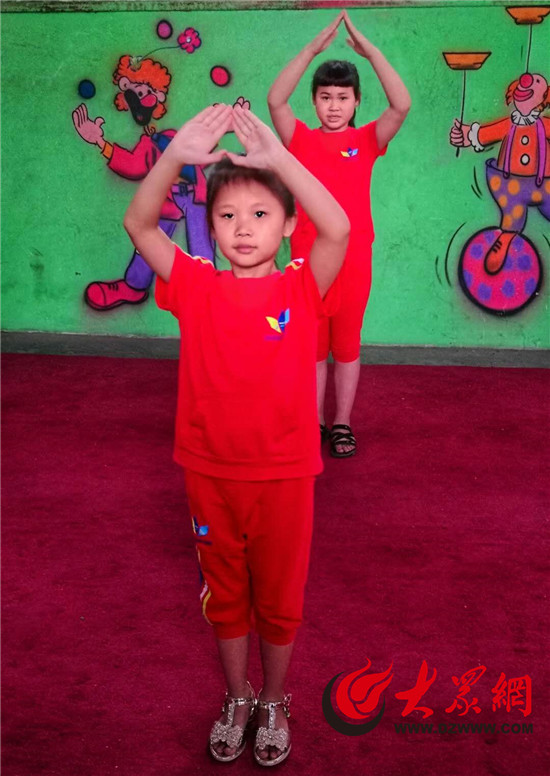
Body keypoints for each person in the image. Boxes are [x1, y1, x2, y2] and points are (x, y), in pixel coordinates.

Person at [123, 103, 349, 766]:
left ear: (287, 225)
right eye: (227, 216)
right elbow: (139, 224)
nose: (243, 228)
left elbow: (337, 226)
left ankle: (273, 698)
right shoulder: (194, 283)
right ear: (211, 225)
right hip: (209, 472)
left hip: (285, 475)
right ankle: (238, 695)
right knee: (224, 594)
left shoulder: (302, 287)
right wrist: (175, 155)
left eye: (259, 214)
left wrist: (280, 159)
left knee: (279, 600)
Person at [268, 10, 411, 457]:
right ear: (314, 102)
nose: (334, 105)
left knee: (346, 345)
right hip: (307, 261)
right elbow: (276, 101)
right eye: (325, 97)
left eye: (343, 97)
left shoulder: (367, 141)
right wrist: (311, 49)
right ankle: (312, 423)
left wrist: (371, 53)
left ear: (356, 101)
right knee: (312, 348)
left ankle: (342, 423)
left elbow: (401, 105)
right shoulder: (300, 140)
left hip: (354, 261)